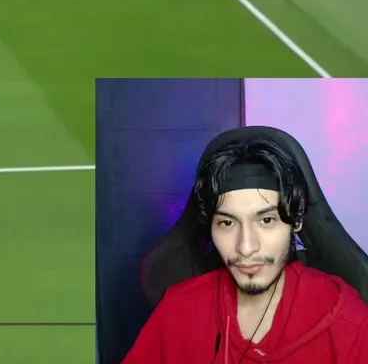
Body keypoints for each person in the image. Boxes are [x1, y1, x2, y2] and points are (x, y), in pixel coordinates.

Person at [122, 138, 368, 363]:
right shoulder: (177, 311)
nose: (246, 247)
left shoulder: (346, 320)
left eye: (266, 220)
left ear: (296, 219)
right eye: (227, 223)